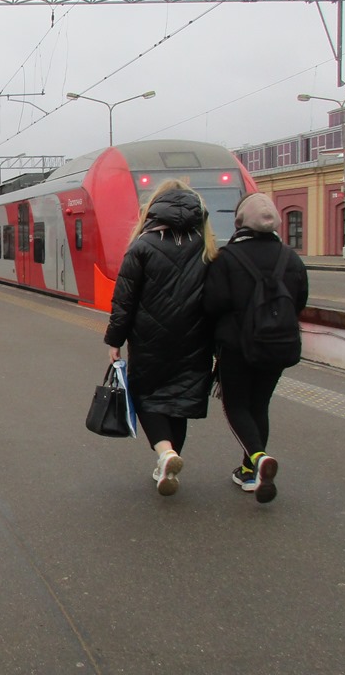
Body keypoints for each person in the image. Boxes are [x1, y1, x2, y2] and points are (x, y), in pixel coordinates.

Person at [104, 179, 217, 496]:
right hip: (197, 340)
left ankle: (165, 453)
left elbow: (123, 301)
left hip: (150, 339)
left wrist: (115, 340)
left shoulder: (141, 246)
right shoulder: (207, 247)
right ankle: (168, 461)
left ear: (154, 209)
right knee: (178, 401)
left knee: (146, 397)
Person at [204, 192, 309, 504]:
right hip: (278, 345)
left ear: (239, 223)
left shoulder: (227, 258)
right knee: (259, 404)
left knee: (236, 405)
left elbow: (212, 305)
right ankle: (250, 471)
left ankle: (259, 458)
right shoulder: (290, 258)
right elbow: (299, 300)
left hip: (237, 347)